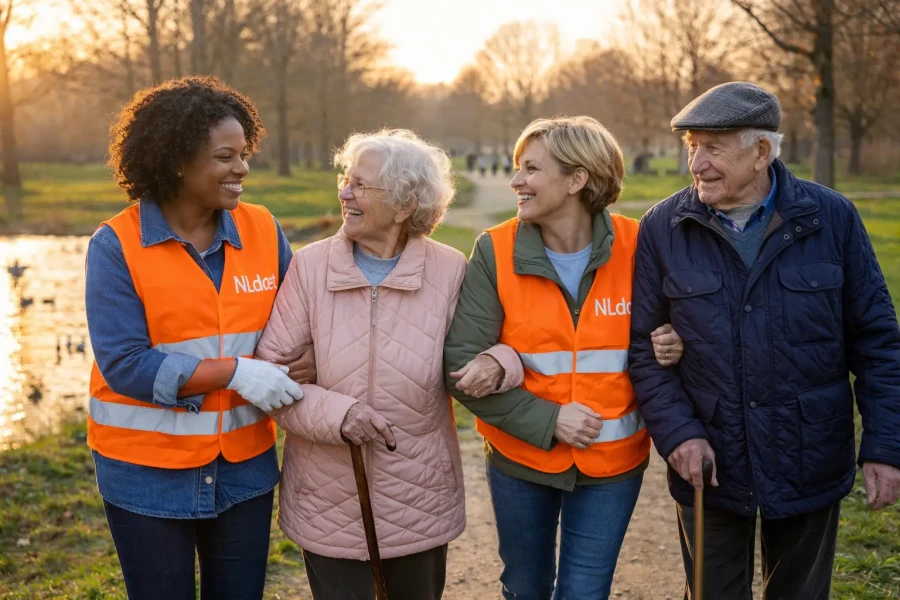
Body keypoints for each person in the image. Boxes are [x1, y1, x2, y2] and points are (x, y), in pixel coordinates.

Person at [628, 81, 900, 599]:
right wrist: (680, 435)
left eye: (712, 147)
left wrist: (886, 445)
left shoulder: (831, 217)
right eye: (691, 147)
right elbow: (643, 347)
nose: (697, 164)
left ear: (760, 151)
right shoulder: (663, 226)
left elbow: (878, 340)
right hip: (708, 459)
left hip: (809, 454)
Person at [253, 129, 525, 600]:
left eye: (361, 185)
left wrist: (498, 364)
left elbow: (500, 345)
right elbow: (270, 376)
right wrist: (340, 416)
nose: (344, 192)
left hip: (418, 492)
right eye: (345, 179)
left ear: (404, 205)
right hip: (328, 498)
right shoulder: (310, 267)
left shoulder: (449, 268)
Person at [85, 76, 313, 600]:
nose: (243, 169)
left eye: (244, 154)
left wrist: (305, 359)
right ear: (176, 161)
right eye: (225, 156)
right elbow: (125, 364)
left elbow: (301, 325)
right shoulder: (115, 246)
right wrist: (234, 372)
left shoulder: (262, 229)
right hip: (144, 471)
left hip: (244, 469)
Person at [443, 116, 685, 600]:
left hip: (613, 463)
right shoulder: (495, 249)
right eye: (517, 167)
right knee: (525, 587)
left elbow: (683, 329)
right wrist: (549, 419)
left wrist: (677, 342)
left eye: (531, 169)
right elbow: (460, 365)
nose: (516, 181)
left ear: (578, 179)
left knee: (585, 592)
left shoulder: (641, 244)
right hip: (520, 458)